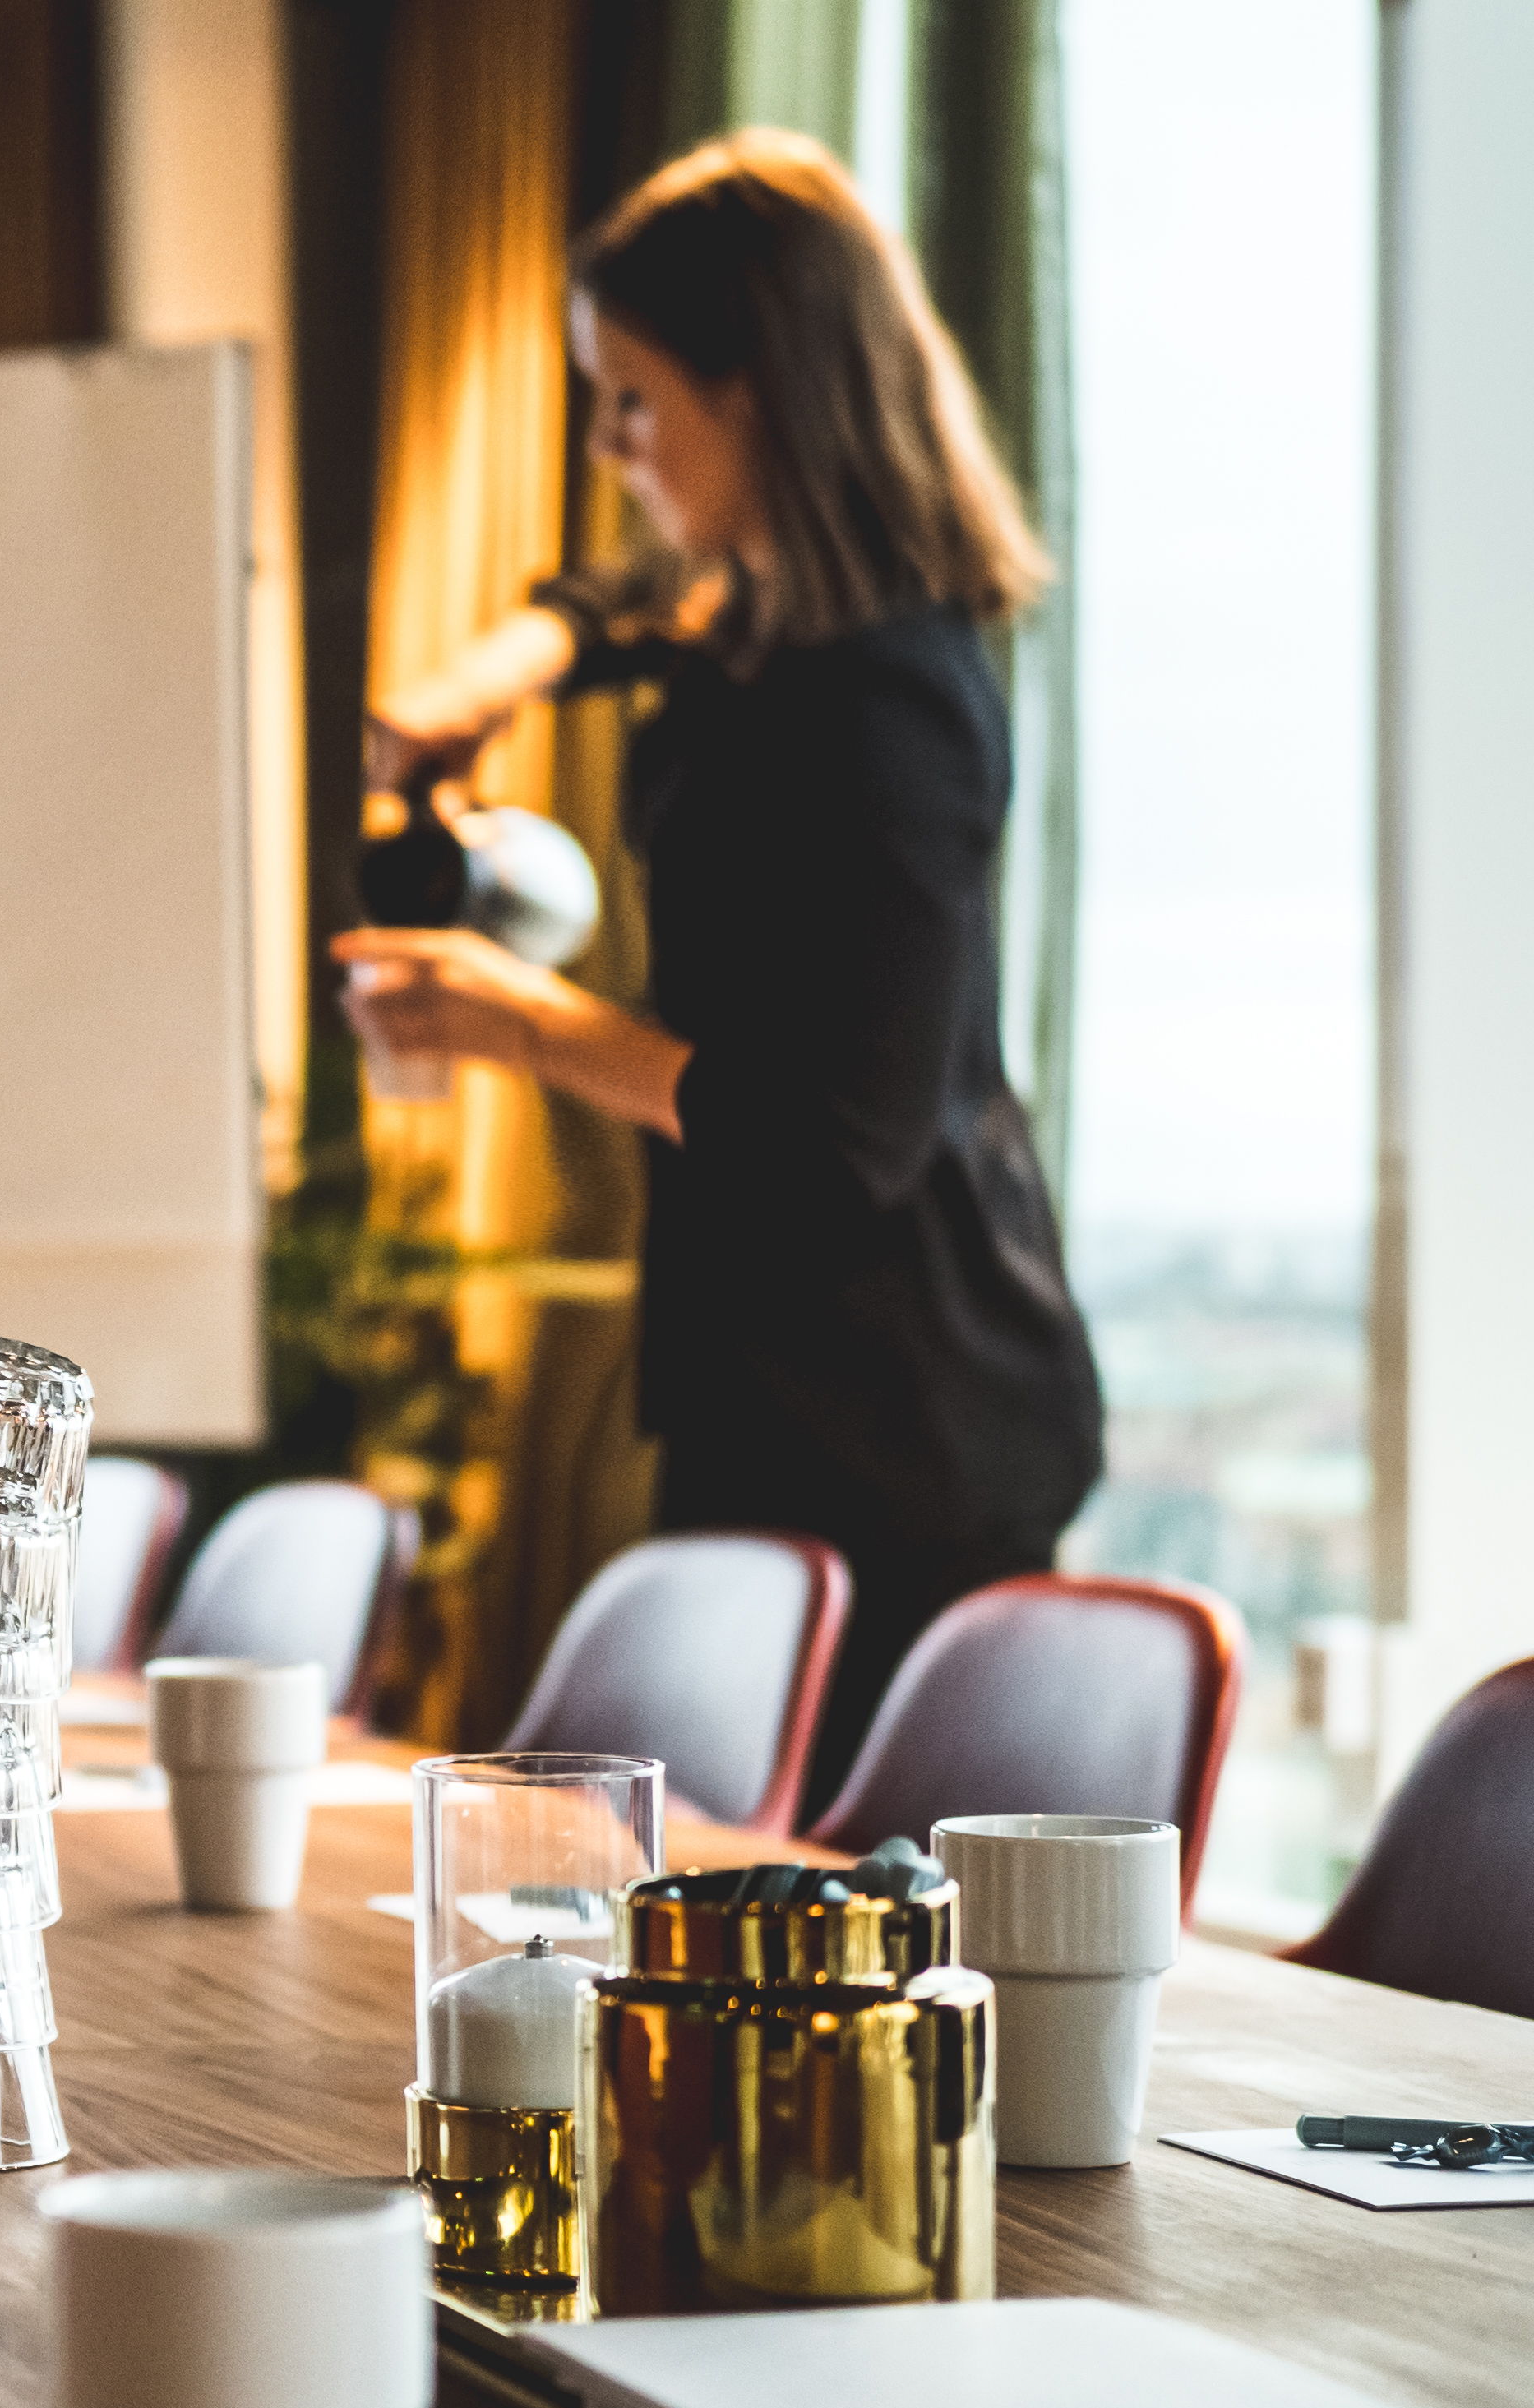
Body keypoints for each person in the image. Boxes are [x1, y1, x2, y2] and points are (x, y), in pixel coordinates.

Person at [340, 128, 1101, 1807]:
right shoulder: (753, 630)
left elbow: (843, 1143)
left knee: (842, 1943)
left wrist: (518, 1023)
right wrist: (494, 674)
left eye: (633, 400)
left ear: (755, 391)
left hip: (908, 1428)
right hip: (767, 1388)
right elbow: (616, 598)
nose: (612, 446)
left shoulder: (892, 700)